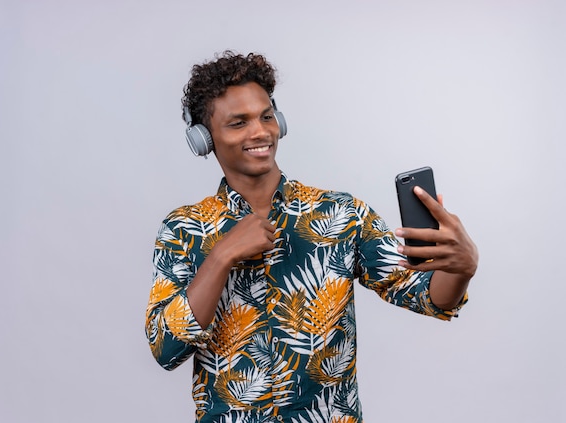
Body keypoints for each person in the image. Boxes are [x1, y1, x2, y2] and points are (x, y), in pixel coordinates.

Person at [145, 51, 478, 423]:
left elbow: (427, 298)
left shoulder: (340, 214)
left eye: (266, 116)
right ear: (204, 138)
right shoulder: (183, 229)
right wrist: (221, 256)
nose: (260, 132)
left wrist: (462, 268)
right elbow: (166, 349)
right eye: (238, 123)